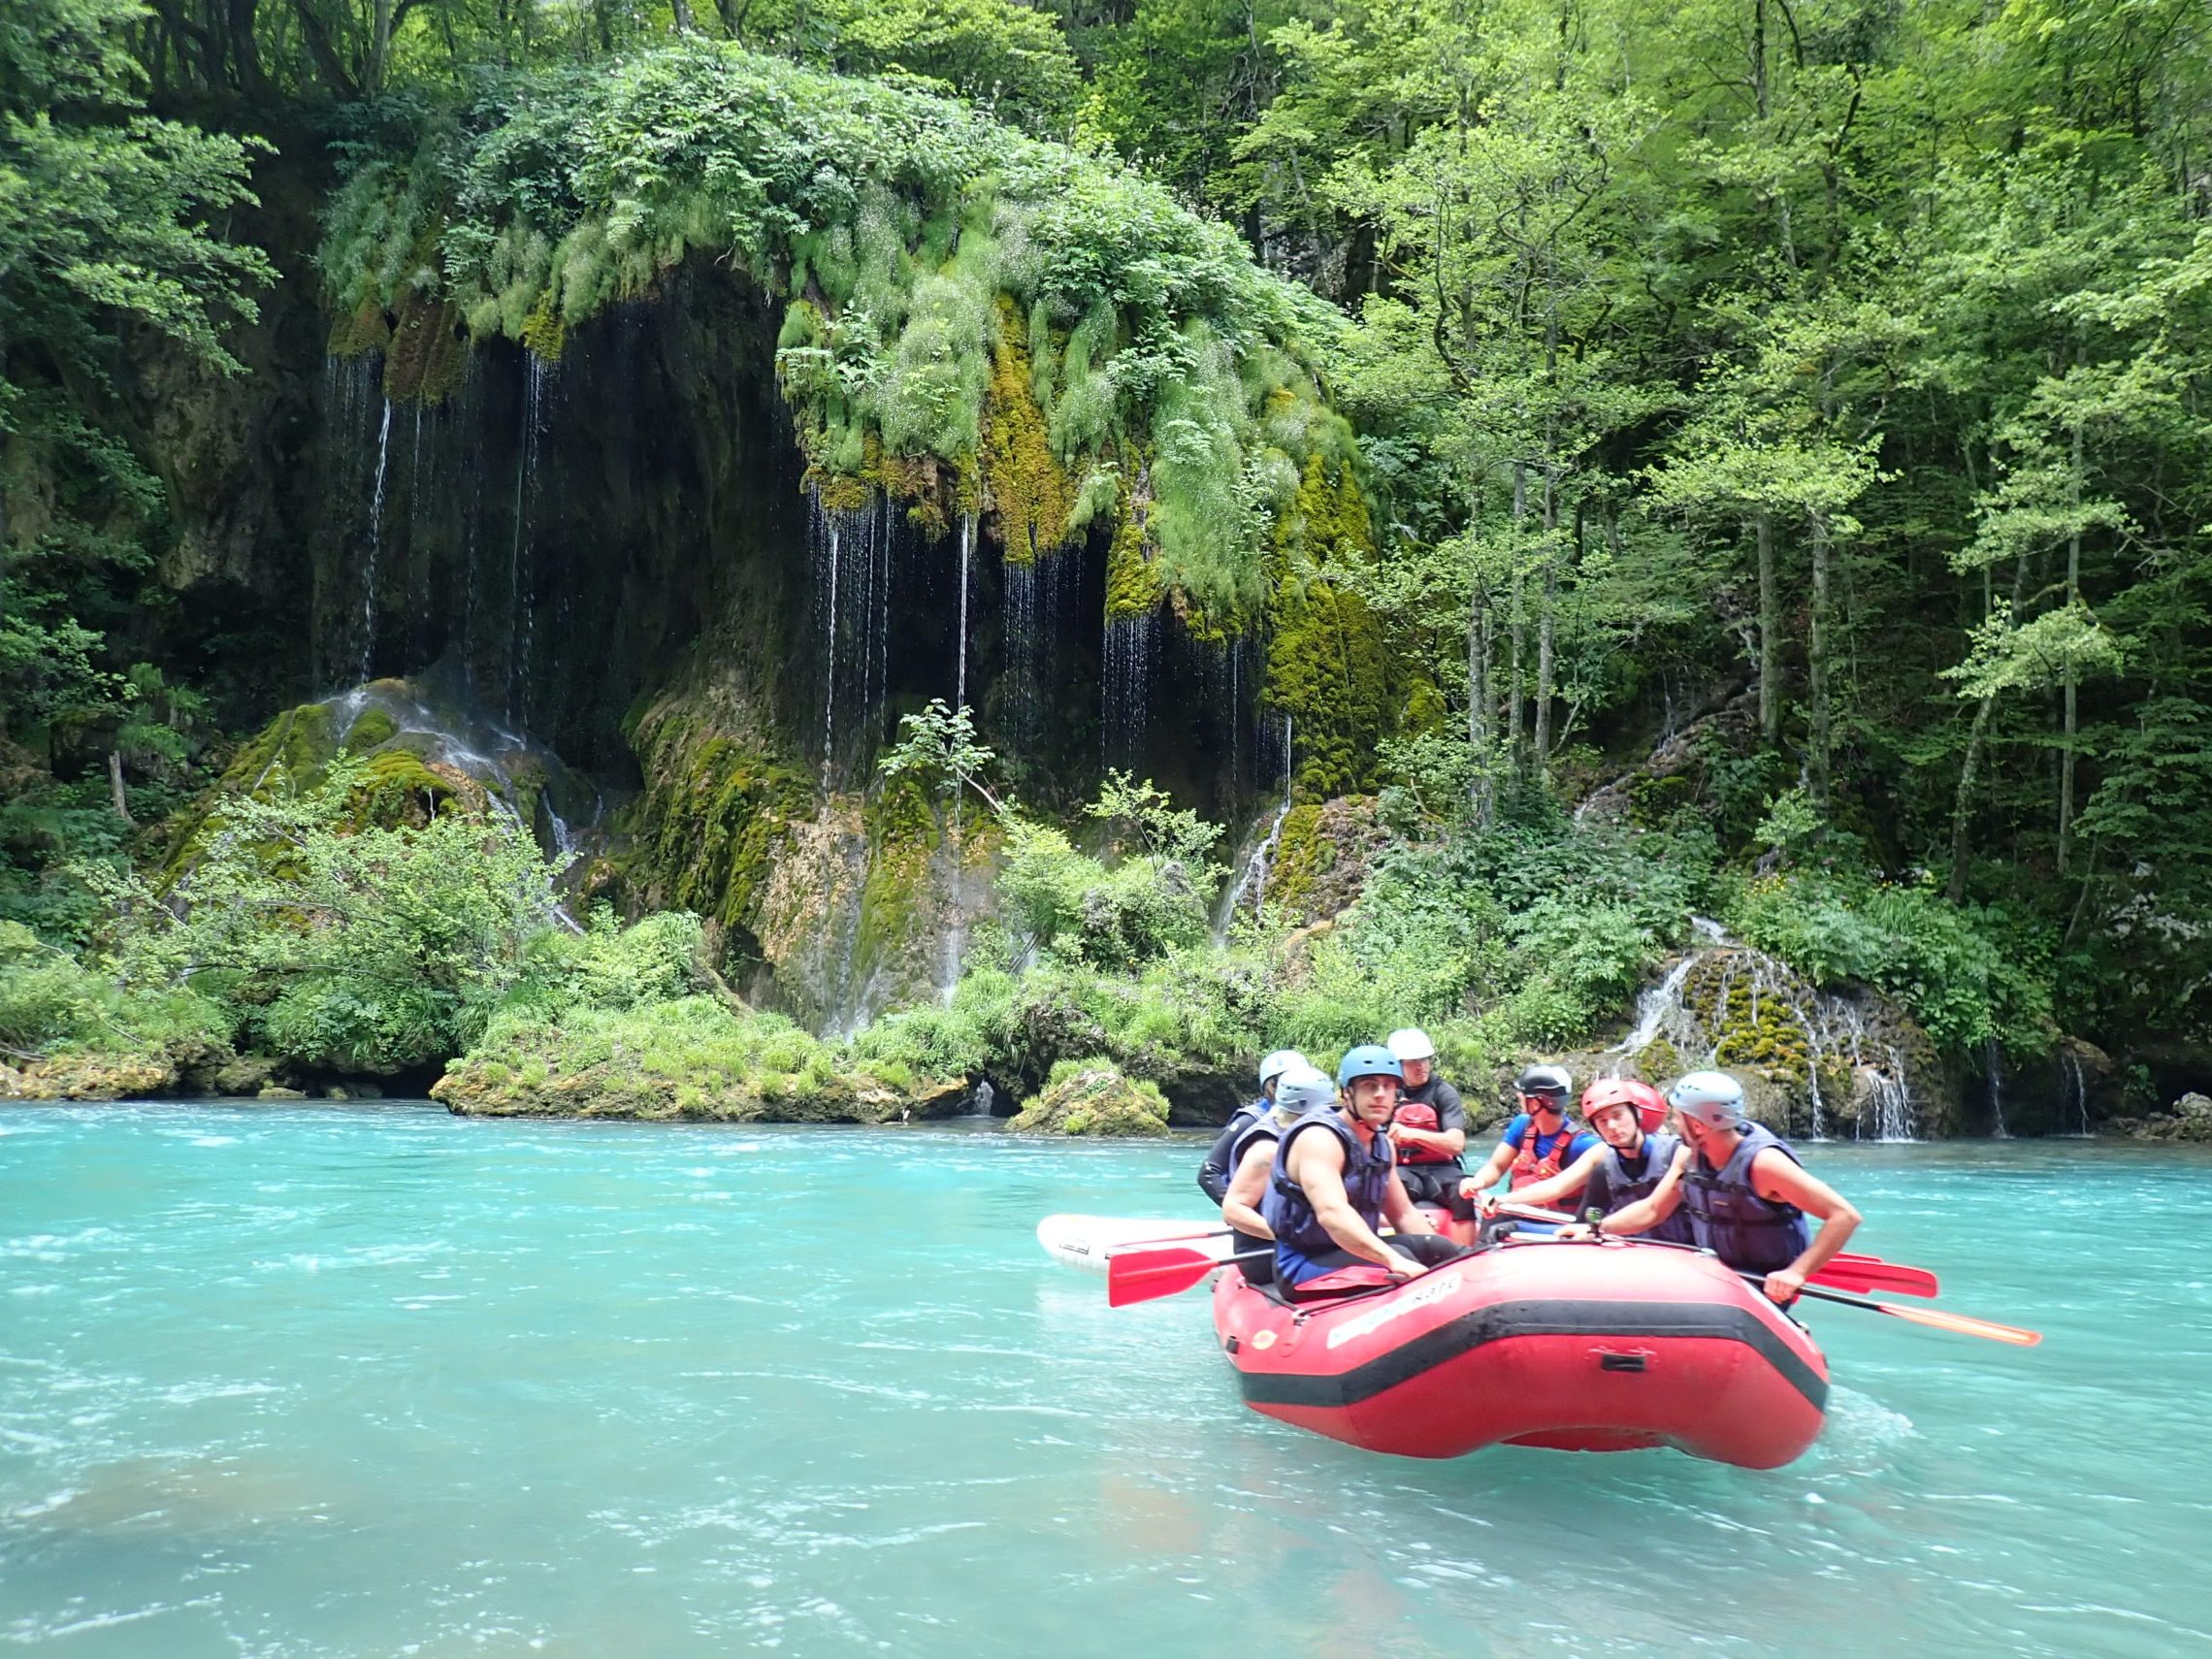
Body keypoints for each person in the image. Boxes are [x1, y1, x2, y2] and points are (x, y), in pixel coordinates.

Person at [1591, 1070, 1863, 1305]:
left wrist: (1797, 1272)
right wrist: (1597, 1228)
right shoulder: (1690, 1156)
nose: (1673, 1123)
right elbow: (1652, 1211)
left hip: (1764, 1285)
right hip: (1718, 1277)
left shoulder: (1764, 1164)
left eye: (1678, 1117)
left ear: (1698, 1125)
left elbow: (1844, 1216)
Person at [1261, 1045, 1467, 1292]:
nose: (1380, 1095)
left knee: (1438, 1249)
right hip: (1302, 1265)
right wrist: (1395, 1261)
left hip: (1350, 1253)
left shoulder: (1383, 1145)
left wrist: (1455, 1261)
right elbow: (1331, 1213)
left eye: (1388, 1086)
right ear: (1347, 1094)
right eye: (1369, 1086)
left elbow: (1403, 1215)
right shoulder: (1320, 1139)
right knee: (1402, 1255)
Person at [1506, 1079, 1696, 1245]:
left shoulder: (1676, 1154)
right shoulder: (1604, 1168)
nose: (1612, 1126)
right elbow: (1578, 1223)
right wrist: (1508, 1208)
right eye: (1602, 1121)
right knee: (1505, 1228)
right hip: (1634, 1259)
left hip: (1681, 1257)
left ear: (1636, 1114)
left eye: (1618, 1115)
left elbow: (1653, 1210)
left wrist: (1597, 1228)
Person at [1218, 1065, 1337, 1285]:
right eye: (1328, 1110)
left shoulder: (1313, 1139)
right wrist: (1291, 1238)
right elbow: (1233, 1210)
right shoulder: (1267, 1149)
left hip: (1306, 1241)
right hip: (1263, 1252)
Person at [1456, 1065, 1598, 1222]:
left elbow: (1555, 1188)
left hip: (1556, 1222)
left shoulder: (1582, 1145)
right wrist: (1478, 1181)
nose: (1518, 1095)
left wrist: (1505, 1200)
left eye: (1523, 1094)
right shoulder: (1522, 1125)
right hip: (1516, 1210)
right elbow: (1496, 1166)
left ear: (1536, 1103)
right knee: (1494, 1217)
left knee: (1498, 1219)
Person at [1198, 1049, 1309, 1203]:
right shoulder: (1250, 1121)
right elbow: (1209, 1173)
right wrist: (1242, 1212)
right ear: (1272, 1086)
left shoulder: (1307, 1119)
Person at [1383, 1026, 1467, 1205]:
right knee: (1386, 1187)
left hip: (1442, 1169)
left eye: (1424, 1059)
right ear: (1398, 1064)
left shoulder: (1444, 1093)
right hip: (1403, 1169)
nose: (1420, 1066)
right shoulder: (1387, 1094)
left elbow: (1456, 1144)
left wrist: (1411, 1134)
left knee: (1464, 1194)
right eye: (1412, 1061)